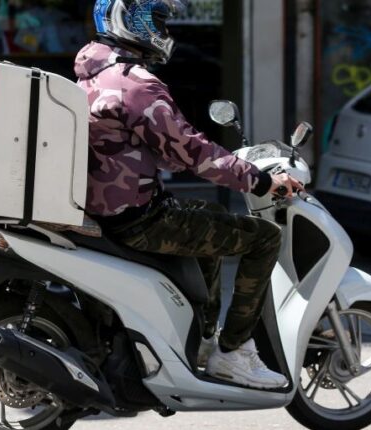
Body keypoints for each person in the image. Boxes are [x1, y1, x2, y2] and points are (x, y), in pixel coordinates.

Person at [77, 0, 304, 390]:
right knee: (265, 238)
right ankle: (234, 353)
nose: (164, 31)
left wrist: (211, 161)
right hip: (139, 220)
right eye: (157, 21)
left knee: (206, 213)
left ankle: (203, 337)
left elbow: (167, 150)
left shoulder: (92, 73)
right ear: (128, 21)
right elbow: (193, 153)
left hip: (107, 210)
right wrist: (260, 181)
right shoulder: (135, 84)